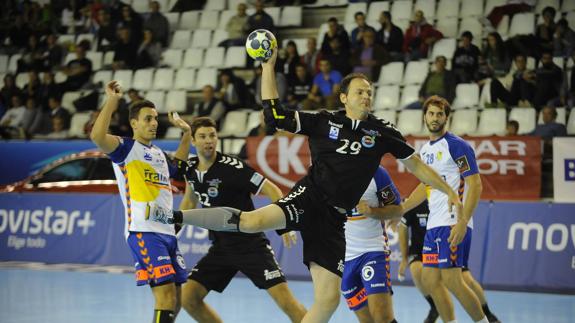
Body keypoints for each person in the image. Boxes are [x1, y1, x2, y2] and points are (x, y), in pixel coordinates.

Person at [146, 47, 462, 323]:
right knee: (251, 221)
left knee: (328, 301)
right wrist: (268, 66)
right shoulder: (325, 121)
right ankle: (177, 217)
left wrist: (448, 190)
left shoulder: (383, 131)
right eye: (359, 92)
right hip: (309, 197)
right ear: (344, 97)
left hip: (334, 219)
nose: (366, 96)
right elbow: (274, 116)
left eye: (369, 92)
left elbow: (418, 165)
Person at [178, 117, 307, 323]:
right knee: (189, 298)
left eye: (212, 135)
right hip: (221, 248)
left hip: (250, 245)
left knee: (287, 304)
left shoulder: (233, 167)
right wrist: (172, 231)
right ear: (193, 141)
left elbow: (272, 189)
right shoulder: (191, 169)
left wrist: (285, 226)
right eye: (202, 137)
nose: (209, 140)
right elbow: (189, 202)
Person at [90, 80, 192, 323]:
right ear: (134, 123)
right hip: (144, 231)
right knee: (165, 297)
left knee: (176, 298)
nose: (154, 123)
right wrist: (112, 101)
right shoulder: (125, 149)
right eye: (148, 119)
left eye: (156, 118)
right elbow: (97, 136)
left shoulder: (158, 153)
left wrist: (187, 134)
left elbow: (178, 167)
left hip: (168, 232)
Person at [402, 95, 489, 323]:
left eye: (439, 114)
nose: (435, 118)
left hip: (453, 221)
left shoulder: (457, 145)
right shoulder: (425, 150)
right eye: (431, 113)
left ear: (446, 118)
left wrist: (462, 222)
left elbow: (475, 184)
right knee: (430, 281)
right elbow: (426, 184)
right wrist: (402, 208)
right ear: (424, 116)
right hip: (434, 224)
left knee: (453, 280)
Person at [399, 201, 501, 323]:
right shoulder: (420, 197)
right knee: (427, 278)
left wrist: (463, 221)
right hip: (428, 240)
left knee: (460, 280)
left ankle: (487, 314)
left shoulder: (447, 193)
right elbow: (402, 227)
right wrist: (399, 210)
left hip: (448, 229)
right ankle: (435, 307)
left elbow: (475, 185)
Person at [342, 166, 403, 323]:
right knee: (366, 319)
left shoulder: (376, 173)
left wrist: (371, 211)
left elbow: (397, 210)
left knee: (382, 316)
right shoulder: (326, 171)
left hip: (372, 250)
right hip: (343, 259)